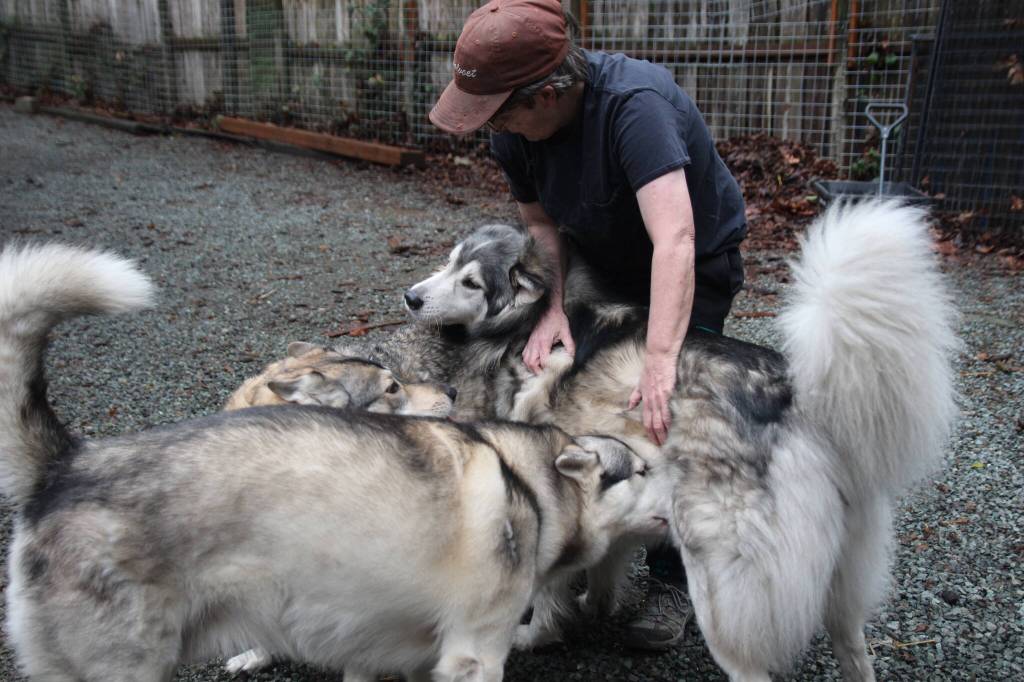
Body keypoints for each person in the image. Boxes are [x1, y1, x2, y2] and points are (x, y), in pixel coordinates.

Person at [429, 0, 747, 652]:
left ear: (548, 94)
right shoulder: (510, 128)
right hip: (605, 260)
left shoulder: (637, 108)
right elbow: (542, 226)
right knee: (588, 400)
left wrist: (663, 356)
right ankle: (591, 556)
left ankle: (671, 581)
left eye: (502, 112)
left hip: (692, 261)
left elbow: (677, 240)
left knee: (661, 414)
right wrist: (552, 308)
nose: (495, 129)